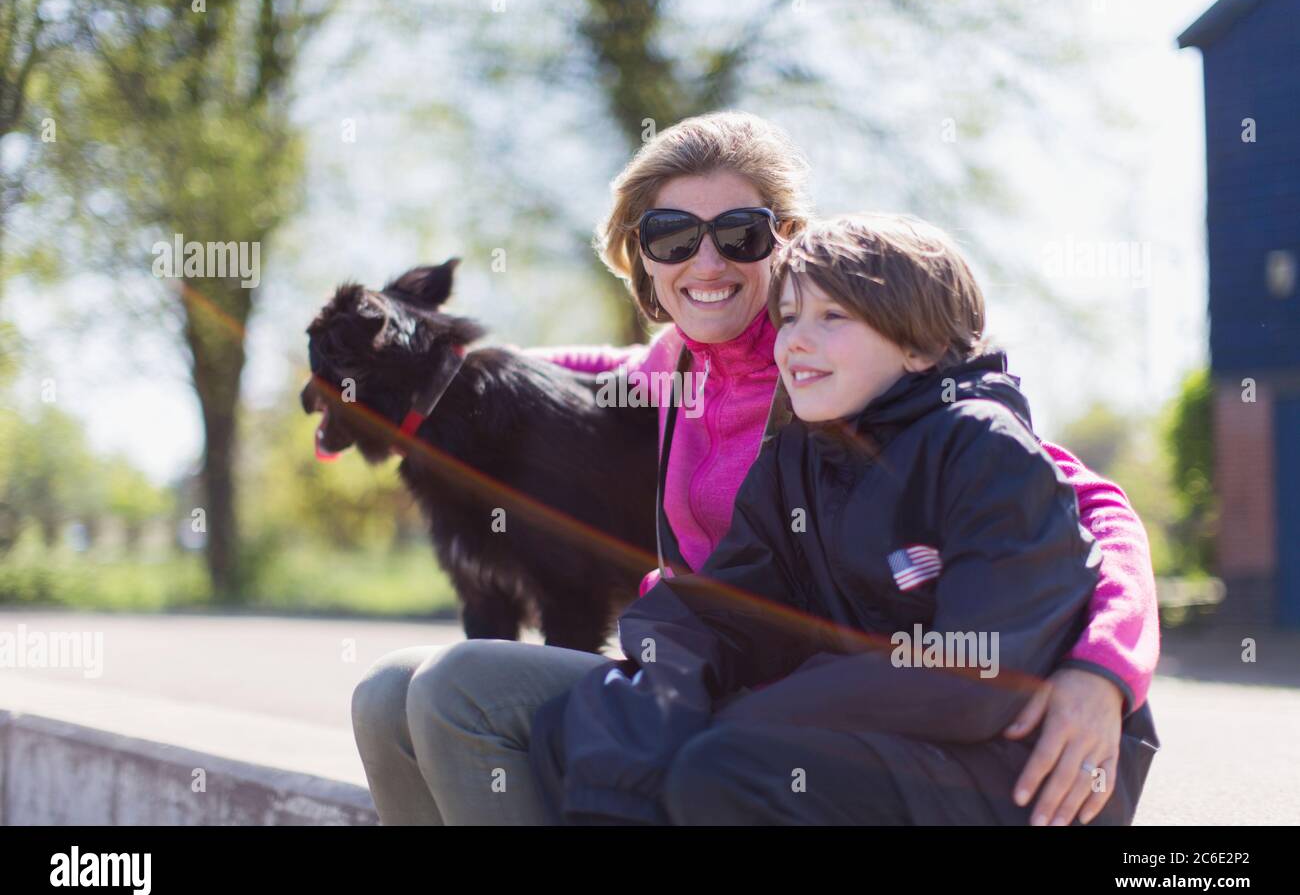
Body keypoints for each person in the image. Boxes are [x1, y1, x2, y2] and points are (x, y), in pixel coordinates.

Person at [350, 112, 1159, 826]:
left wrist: (1103, 671)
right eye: (672, 237)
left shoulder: (837, 378)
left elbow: (1085, 508)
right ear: (643, 258)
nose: (705, 262)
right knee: (387, 694)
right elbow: (556, 372)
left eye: (738, 234)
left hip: (808, 704)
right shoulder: (674, 370)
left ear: (787, 241)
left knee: (458, 689)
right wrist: (414, 365)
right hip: (707, 672)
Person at [527, 212, 1160, 825]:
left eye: (833, 317)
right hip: (892, 737)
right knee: (586, 731)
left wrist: (750, 715)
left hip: (1026, 761)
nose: (796, 339)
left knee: (727, 769)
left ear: (921, 346)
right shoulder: (800, 455)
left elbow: (976, 672)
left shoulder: (980, 447)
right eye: (791, 316)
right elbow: (724, 610)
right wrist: (648, 702)